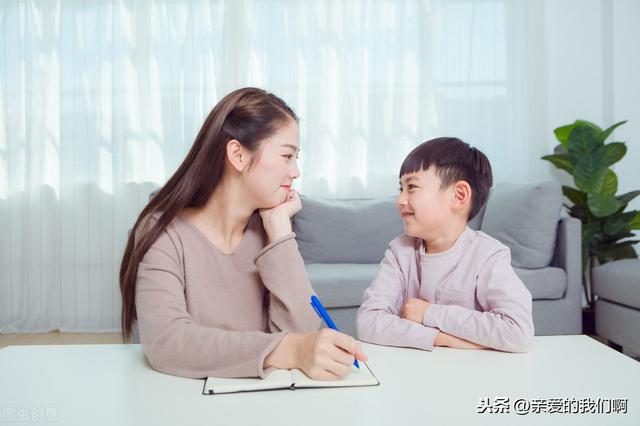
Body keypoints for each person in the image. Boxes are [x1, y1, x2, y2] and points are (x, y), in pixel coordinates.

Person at [120, 87, 367, 380]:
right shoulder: (162, 231)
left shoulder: (270, 230)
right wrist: (290, 350)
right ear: (237, 154)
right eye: (287, 156)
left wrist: (279, 231)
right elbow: (168, 343)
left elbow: (302, 331)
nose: (296, 172)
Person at [357, 137, 534, 352]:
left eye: (411, 187)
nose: (400, 200)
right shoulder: (399, 251)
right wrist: (440, 338)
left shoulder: (488, 255)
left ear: (459, 196)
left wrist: (428, 313)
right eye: (400, 189)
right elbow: (368, 322)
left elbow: (518, 332)